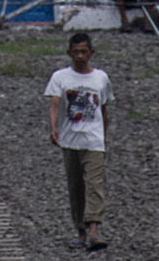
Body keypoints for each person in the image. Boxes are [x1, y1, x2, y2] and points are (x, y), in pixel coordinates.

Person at [44, 30, 113, 249]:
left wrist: (103, 136)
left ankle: (94, 231)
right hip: (70, 141)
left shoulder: (101, 78)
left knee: (94, 185)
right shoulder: (60, 77)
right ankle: (80, 231)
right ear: (69, 53)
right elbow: (55, 104)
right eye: (76, 52)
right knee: (76, 188)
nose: (80, 56)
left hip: (93, 141)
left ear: (91, 53)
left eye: (84, 52)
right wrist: (54, 128)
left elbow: (103, 109)